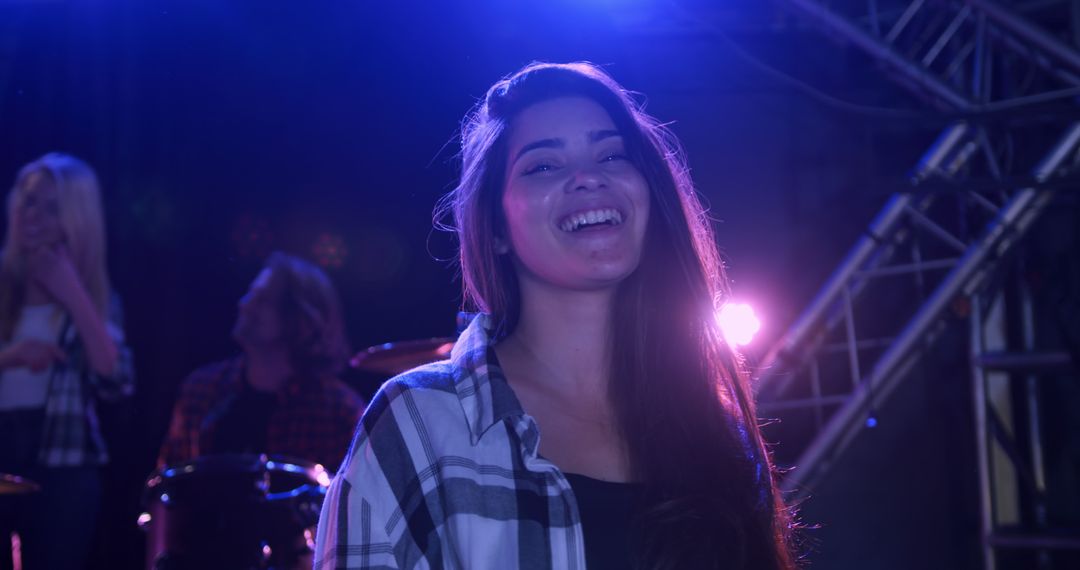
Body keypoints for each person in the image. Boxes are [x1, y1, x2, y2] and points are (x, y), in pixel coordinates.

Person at [315, 62, 798, 569]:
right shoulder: (417, 422)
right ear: (495, 227)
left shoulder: (712, 426)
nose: (589, 178)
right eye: (543, 165)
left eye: (612, 154)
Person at [0, 153, 134, 570]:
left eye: (51, 207)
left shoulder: (94, 297)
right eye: (29, 201)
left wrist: (72, 292)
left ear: (76, 220)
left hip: (64, 461)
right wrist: (12, 357)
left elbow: (116, 380)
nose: (33, 216)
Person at [158, 252, 365, 473]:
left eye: (262, 299)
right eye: (250, 294)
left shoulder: (339, 412)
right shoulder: (200, 390)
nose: (244, 304)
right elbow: (171, 486)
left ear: (300, 318)